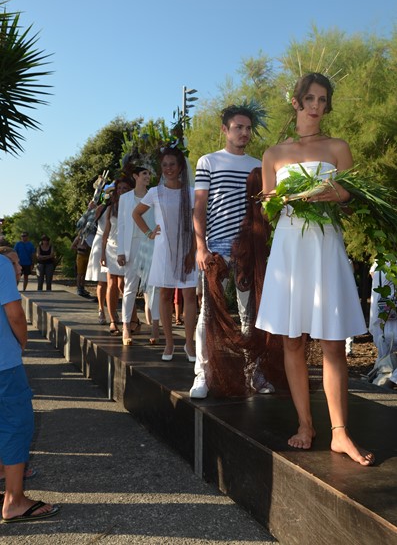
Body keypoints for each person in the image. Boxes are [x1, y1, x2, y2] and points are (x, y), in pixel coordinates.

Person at [256, 72, 373, 466]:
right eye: (310, 98)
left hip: (325, 245)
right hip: (290, 247)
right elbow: (268, 205)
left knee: (332, 341)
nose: (316, 106)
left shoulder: (338, 147)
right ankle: (306, 424)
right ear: (296, 101)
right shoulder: (273, 154)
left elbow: (351, 197)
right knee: (292, 340)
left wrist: (331, 192)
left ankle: (340, 433)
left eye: (323, 100)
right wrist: (277, 199)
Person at [189, 104, 262, 398]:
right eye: (238, 127)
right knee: (208, 314)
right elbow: (200, 207)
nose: (244, 133)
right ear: (225, 129)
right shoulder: (208, 161)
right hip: (216, 251)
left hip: (247, 251)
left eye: (247, 128)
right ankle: (202, 376)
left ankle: (253, 373)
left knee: (252, 315)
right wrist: (200, 247)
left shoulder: (258, 164)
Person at [0, 246, 60, 522]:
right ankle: (14, 500)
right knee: (16, 423)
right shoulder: (0, 265)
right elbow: (15, 314)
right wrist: (21, 342)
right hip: (3, 364)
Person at [133, 146, 197, 361]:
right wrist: (149, 233)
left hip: (187, 249)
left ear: (180, 167)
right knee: (165, 295)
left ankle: (189, 344)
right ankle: (169, 344)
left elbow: (198, 225)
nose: (168, 168)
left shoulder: (191, 192)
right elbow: (137, 213)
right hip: (163, 250)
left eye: (172, 164)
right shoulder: (155, 192)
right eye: (165, 165)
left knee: (189, 295)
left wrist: (192, 252)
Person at [117, 165, 152, 346]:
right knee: (130, 288)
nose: (147, 176)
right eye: (144, 173)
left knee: (152, 288)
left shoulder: (154, 194)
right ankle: (125, 327)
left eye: (149, 174)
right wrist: (120, 251)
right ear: (136, 176)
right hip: (131, 245)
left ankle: (154, 327)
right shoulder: (125, 198)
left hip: (150, 245)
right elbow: (121, 226)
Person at [101, 177, 134, 335]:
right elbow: (106, 232)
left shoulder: (134, 207)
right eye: (119, 188)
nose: (121, 191)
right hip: (112, 248)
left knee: (125, 285)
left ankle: (133, 318)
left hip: (128, 248)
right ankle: (113, 320)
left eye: (125, 188)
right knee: (112, 283)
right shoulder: (111, 208)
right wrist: (102, 252)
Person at [85, 187, 113, 324]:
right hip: (101, 240)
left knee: (115, 281)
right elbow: (87, 222)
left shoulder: (121, 207)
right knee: (102, 280)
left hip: (115, 242)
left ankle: (113, 312)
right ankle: (101, 309)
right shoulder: (101, 208)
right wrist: (90, 209)